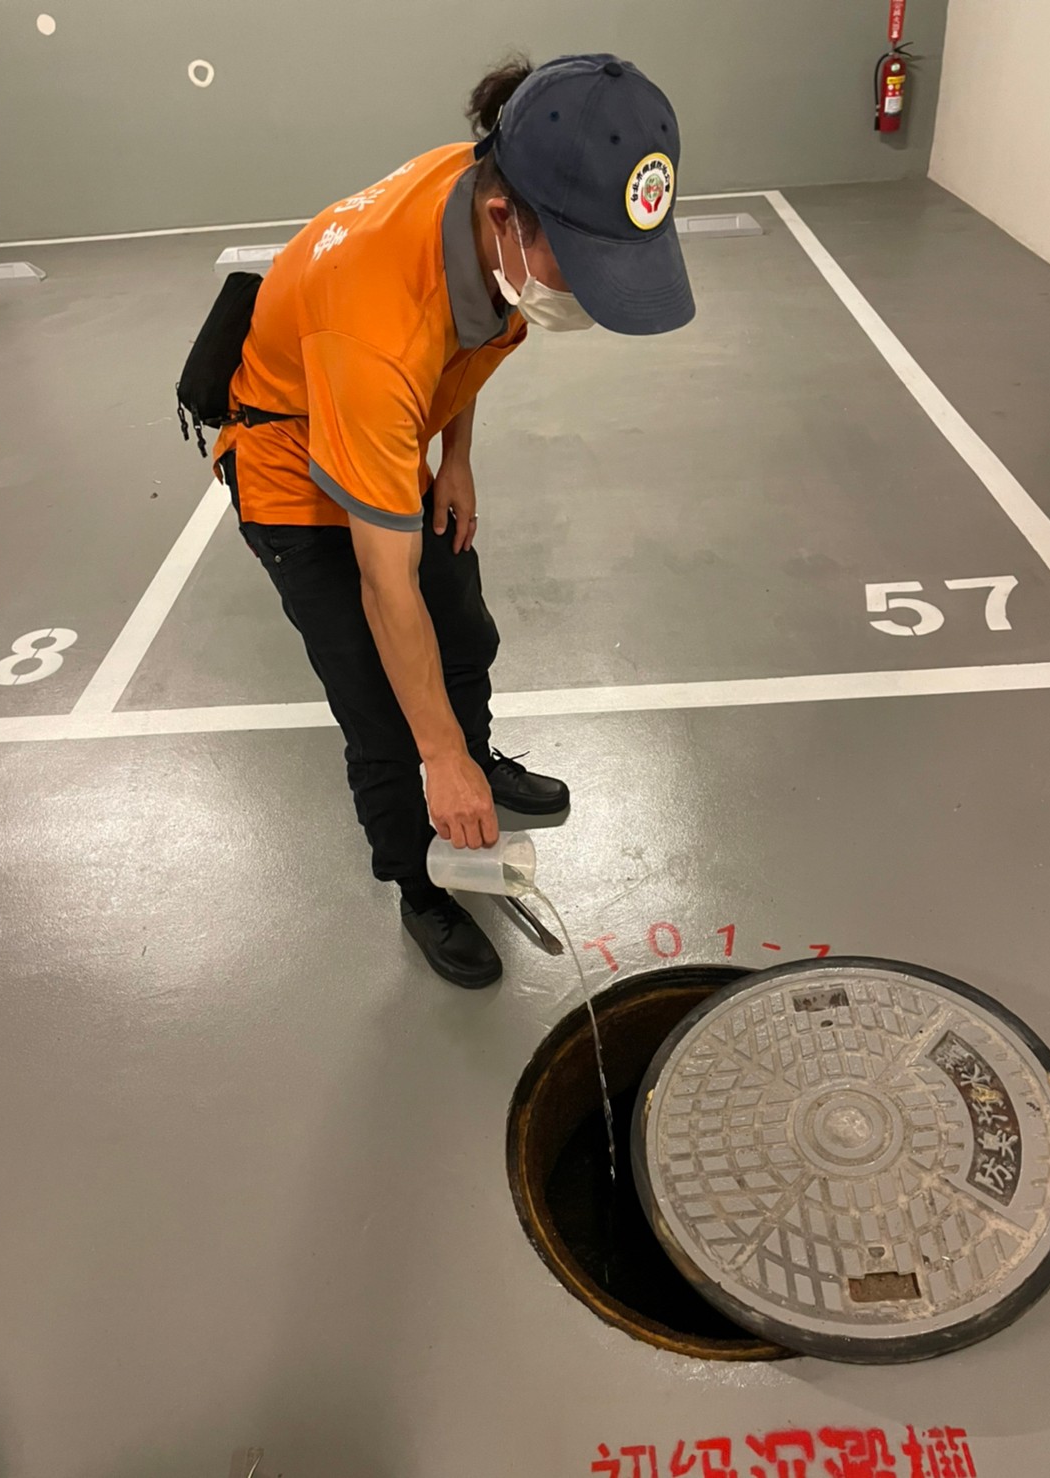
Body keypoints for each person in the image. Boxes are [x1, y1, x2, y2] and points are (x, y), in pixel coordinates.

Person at [213, 53, 694, 989]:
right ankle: (419, 882)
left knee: (464, 632)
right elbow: (383, 584)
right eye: (584, 265)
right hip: (296, 471)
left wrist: (457, 455)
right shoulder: (375, 329)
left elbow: (471, 335)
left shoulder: (490, 196)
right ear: (506, 218)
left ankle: (476, 757)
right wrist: (436, 756)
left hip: (391, 427)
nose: (593, 290)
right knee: (383, 711)